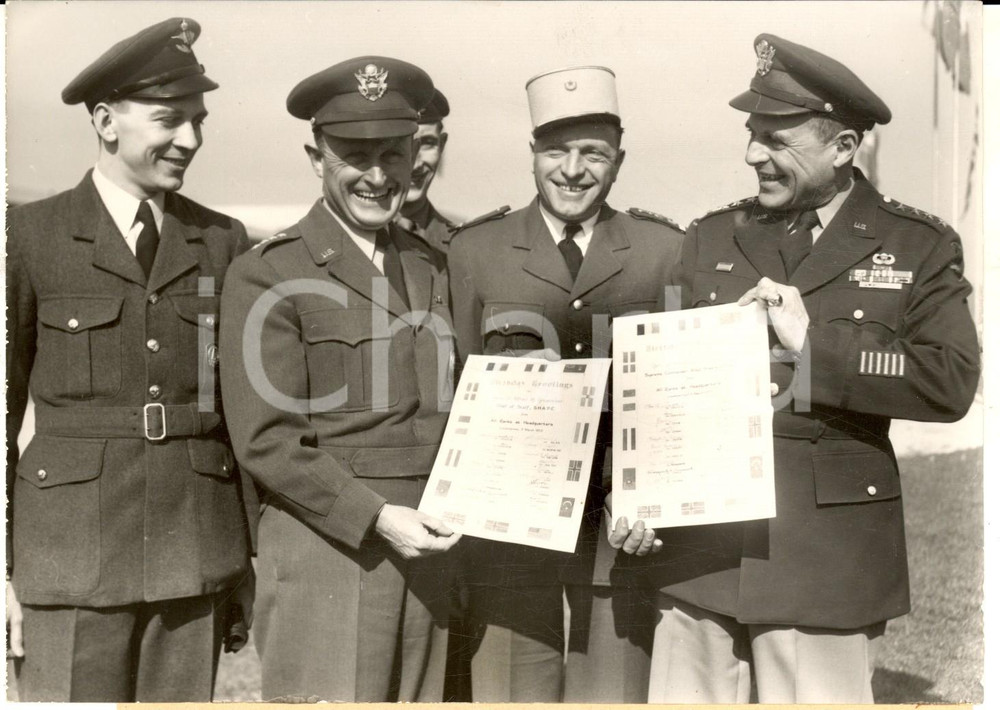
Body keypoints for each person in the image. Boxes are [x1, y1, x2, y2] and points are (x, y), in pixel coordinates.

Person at [643, 33, 980, 704]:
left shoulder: (916, 243)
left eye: (776, 139)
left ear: (844, 148)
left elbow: (950, 380)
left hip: (825, 560)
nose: (752, 155)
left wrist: (814, 345)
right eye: (751, 133)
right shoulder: (711, 236)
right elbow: (659, 388)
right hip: (703, 556)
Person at [5, 18, 254, 702]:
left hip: (193, 554)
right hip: (68, 561)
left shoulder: (221, 241)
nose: (191, 140)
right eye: (171, 119)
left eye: (199, 120)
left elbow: (234, 410)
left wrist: (243, 564)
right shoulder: (27, 237)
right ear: (106, 120)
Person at [219, 56, 461, 702]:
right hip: (330, 562)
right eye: (356, 155)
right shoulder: (267, 273)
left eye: (394, 154)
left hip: (430, 570)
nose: (378, 176)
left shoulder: (436, 266)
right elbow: (268, 441)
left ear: (417, 155)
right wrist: (379, 518)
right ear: (316, 156)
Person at [448, 65, 684, 702]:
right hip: (510, 541)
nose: (573, 169)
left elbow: (675, 403)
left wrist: (653, 503)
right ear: (532, 154)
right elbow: (456, 394)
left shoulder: (664, 251)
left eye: (594, 154)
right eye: (556, 150)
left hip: (620, 538)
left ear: (619, 161)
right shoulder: (475, 251)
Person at [394, 88, 461, 254]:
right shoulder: (357, 238)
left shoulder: (462, 243)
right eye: (402, 145)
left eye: (427, 143)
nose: (415, 165)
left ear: (442, 145)